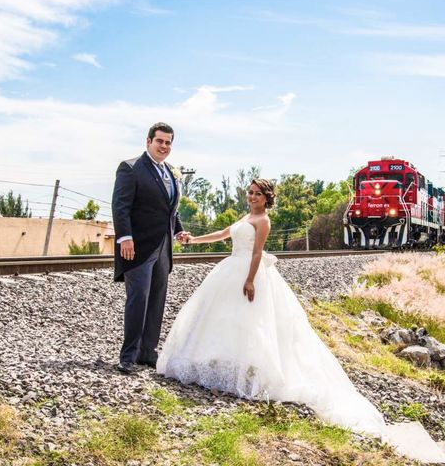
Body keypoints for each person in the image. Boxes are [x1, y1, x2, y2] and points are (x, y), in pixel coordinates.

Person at [157, 179, 386, 438]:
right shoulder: (247, 215)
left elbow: (256, 253)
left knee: (251, 322)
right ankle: (227, 362)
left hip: (248, 273)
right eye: (250, 192)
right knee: (225, 320)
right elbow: (223, 234)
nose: (252, 197)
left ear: (267, 198)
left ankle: (250, 370)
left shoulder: (263, 221)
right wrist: (193, 240)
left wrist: (250, 279)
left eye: (257, 194)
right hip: (230, 268)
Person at [112, 122, 189, 375]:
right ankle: (128, 355)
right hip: (138, 247)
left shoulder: (171, 172)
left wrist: (178, 230)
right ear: (148, 142)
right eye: (160, 141)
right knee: (138, 299)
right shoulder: (131, 168)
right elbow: (121, 206)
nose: (164, 146)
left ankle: (148, 353)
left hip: (164, 248)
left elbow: (170, 209)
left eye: (168, 142)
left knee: (157, 300)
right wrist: (125, 237)